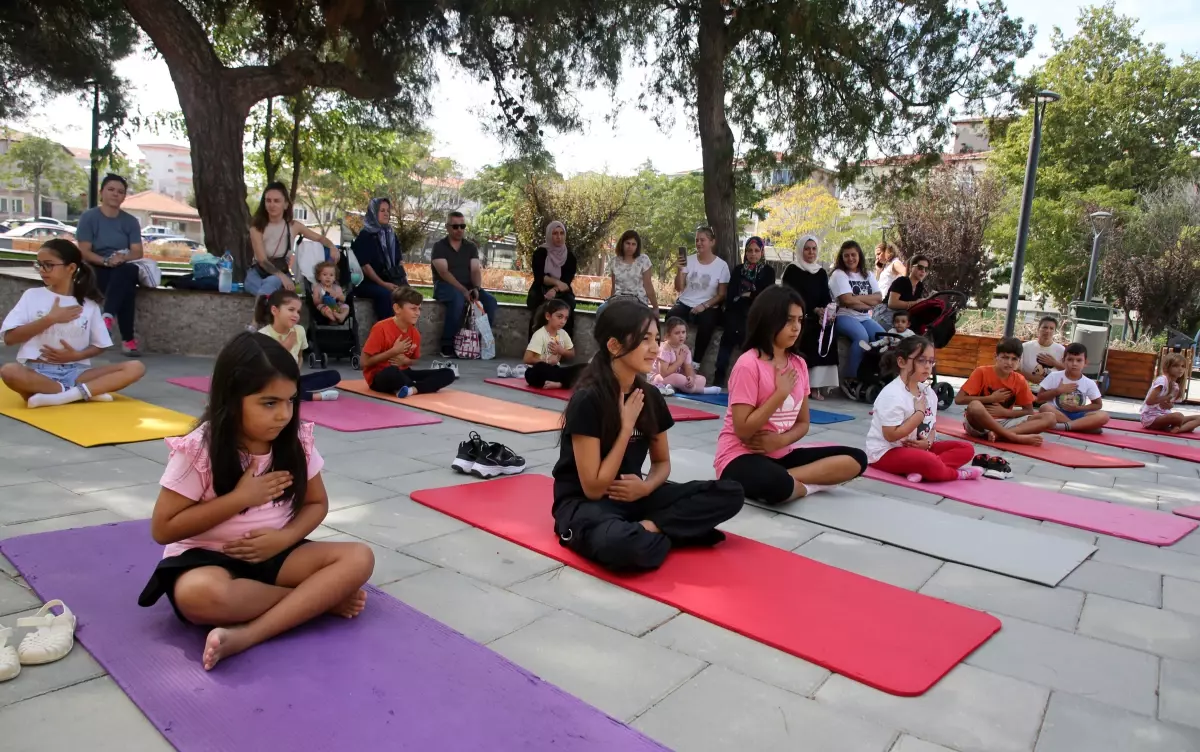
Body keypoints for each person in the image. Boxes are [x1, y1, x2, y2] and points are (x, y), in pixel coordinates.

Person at [139, 332, 375, 671]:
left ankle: (249, 633)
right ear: (232, 400)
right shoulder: (199, 449)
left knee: (359, 558)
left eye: (290, 401)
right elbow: (163, 529)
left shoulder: (294, 442)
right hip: (207, 559)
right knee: (198, 597)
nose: (283, 414)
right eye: (269, 403)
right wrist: (240, 499)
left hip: (275, 553)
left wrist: (284, 539)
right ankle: (318, 603)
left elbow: (316, 504)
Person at [551, 299, 744, 572]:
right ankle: (671, 531)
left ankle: (651, 529)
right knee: (619, 544)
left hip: (635, 498)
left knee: (730, 492)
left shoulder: (650, 396)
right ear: (614, 346)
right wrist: (626, 427)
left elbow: (662, 463)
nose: (655, 348)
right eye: (644, 339)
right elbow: (593, 488)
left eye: (655, 338)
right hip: (587, 504)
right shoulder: (588, 399)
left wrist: (645, 487)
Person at [715, 286, 868, 503]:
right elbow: (742, 429)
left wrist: (780, 441)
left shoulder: (799, 364)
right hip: (740, 456)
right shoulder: (748, 364)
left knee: (857, 458)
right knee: (777, 485)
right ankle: (804, 483)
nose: (796, 327)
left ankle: (791, 483)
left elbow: (803, 423)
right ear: (768, 320)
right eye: (788, 320)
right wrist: (779, 394)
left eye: (799, 320)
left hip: (780, 454)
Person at [0, 239, 145, 407]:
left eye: (48, 265)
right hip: (38, 371)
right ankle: (83, 392)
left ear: (70, 268)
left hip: (76, 372)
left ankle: (64, 395)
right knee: (9, 371)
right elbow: (10, 338)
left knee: (136, 367)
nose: (42, 270)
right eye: (39, 265)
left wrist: (77, 356)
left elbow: (101, 344)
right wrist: (50, 319)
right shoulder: (32, 296)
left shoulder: (88, 304)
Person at [867, 336, 982, 483]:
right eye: (921, 360)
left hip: (919, 450)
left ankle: (922, 469)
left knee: (966, 448)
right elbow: (890, 436)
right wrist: (919, 414)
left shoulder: (929, 393)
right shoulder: (892, 394)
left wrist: (927, 443)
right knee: (929, 460)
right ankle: (957, 474)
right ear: (902, 362)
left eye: (931, 361)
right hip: (886, 452)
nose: (928, 366)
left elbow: (932, 427)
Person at [75, 174, 143, 356]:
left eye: (120, 192)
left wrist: (122, 257)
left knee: (127, 271)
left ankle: (107, 316)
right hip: (95, 268)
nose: (115, 194)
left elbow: (137, 251)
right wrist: (106, 261)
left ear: (124, 197)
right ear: (101, 193)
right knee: (126, 287)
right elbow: (84, 252)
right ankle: (128, 340)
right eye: (111, 190)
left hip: (121, 266)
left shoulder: (130, 221)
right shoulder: (89, 218)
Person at [955, 336, 1056, 445]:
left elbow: (1029, 411)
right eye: (1005, 357)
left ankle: (999, 435)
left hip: (1005, 422)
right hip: (979, 424)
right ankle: (1013, 437)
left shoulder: (1019, 380)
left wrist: (1005, 412)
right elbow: (959, 399)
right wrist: (990, 398)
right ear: (996, 357)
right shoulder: (981, 372)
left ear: (1019, 361)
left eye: (1014, 359)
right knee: (974, 405)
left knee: (1050, 417)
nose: (1009, 362)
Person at [247, 182, 339, 299]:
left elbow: (320, 238)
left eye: (276, 201)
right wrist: (282, 277)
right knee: (262, 288)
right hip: (258, 273)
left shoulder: (294, 226)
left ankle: (262, 311)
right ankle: (269, 304)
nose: (272, 205)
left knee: (269, 286)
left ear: (285, 204)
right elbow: (262, 260)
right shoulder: (256, 228)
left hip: (279, 273)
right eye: (268, 200)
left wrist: (332, 246)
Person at [361, 287, 455, 398]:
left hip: (404, 373)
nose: (418, 313)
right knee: (392, 372)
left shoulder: (415, 333)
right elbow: (364, 363)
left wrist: (406, 361)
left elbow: (414, 360)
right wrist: (393, 352)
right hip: (381, 376)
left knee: (448, 373)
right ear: (397, 308)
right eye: (413, 309)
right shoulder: (381, 328)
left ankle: (412, 389)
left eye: (419, 309)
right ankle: (416, 386)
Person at [430, 211, 498, 358]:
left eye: (462, 226)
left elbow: (475, 270)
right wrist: (462, 290)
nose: (459, 229)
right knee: (457, 299)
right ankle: (447, 344)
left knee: (490, 302)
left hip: (468, 287)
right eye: (455, 226)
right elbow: (444, 273)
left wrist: (476, 288)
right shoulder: (439, 246)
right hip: (444, 286)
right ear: (447, 227)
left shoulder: (470, 247)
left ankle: (480, 343)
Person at [254, 289, 340, 401]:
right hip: (270, 381)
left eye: (298, 312)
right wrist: (284, 349)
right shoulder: (263, 335)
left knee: (334, 375)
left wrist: (295, 375)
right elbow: (262, 370)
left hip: (291, 380)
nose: (296, 315)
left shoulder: (299, 331)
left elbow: (299, 357)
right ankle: (313, 396)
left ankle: (294, 392)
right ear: (275, 311)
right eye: (291, 310)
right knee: (271, 388)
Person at [782, 234, 838, 400]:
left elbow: (825, 296)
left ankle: (817, 386)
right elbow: (790, 295)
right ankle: (802, 385)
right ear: (801, 250)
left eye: (814, 249)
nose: (811, 252)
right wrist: (813, 310)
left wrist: (826, 311)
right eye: (807, 249)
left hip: (817, 315)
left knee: (828, 330)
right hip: (798, 314)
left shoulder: (820, 272)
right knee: (810, 332)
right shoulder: (792, 270)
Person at [714, 236, 775, 386]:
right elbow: (731, 296)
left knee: (749, 336)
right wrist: (749, 295)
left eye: (756, 251)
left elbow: (766, 294)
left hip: (758, 312)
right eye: (749, 251)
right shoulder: (738, 270)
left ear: (761, 252)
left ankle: (747, 380)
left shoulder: (768, 271)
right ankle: (719, 377)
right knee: (729, 334)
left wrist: (748, 295)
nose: (752, 254)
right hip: (736, 310)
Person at [669, 225, 730, 368]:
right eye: (697, 240)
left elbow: (722, 295)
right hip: (686, 302)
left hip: (708, 305)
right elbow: (679, 288)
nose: (698, 243)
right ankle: (672, 358)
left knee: (707, 322)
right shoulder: (689, 260)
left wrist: (704, 305)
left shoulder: (721, 266)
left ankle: (695, 364)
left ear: (712, 242)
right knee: (672, 316)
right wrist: (679, 269)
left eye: (702, 240)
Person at [829, 240, 884, 386]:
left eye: (853, 254)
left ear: (859, 256)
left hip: (865, 317)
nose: (850, 259)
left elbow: (878, 297)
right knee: (861, 337)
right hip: (844, 316)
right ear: (841, 258)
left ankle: (874, 374)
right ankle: (850, 377)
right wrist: (865, 302)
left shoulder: (868, 274)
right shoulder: (839, 274)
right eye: (846, 256)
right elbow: (846, 300)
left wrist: (855, 299)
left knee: (884, 337)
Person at [350, 197, 407, 323]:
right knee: (386, 295)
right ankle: (386, 334)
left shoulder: (391, 234)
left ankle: (406, 333)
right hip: (366, 283)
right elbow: (365, 266)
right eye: (382, 210)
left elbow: (399, 260)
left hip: (388, 279)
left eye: (387, 210)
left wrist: (399, 280)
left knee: (409, 295)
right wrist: (384, 284)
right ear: (373, 212)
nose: (386, 213)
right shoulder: (365, 235)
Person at [1034, 343, 1111, 433]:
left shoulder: (1089, 383)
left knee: (1104, 415)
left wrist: (1078, 409)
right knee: (1044, 407)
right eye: (1070, 360)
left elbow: (1098, 405)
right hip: (1057, 413)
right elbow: (1039, 399)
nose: (1074, 364)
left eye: (1079, 360)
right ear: (1063, 361)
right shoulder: (1054, 376)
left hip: (1078, 414)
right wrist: (1058, 391)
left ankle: (1064, 426)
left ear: (1085, 363)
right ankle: (1080, 426)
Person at [526, 221, 578, 338]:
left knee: (568, 306)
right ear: (549, 235)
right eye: (555, 233)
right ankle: (535, 347)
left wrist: (554, 290)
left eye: (561, 233)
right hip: (541, 287)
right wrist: (556, 282)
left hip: (561, 291)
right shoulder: (540, 253)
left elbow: (566, 283)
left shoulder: (570, 257)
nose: (559, 237)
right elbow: (539, 277)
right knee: (537, 304)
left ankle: (563, 349)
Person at [652, 317, 722, 396]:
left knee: (702, 379)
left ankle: (673, 388)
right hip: (659, 378)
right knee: (678, 378)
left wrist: (691, 377)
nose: (681, 336)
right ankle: (702, 390)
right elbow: (664, 373)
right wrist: (679, 361)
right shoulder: (665, 349)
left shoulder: (684, 348)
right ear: (668, 336)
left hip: (676, 377)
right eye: (677, 333)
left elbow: (688, 367)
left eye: (683, 332)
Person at [524, 299, 584, 389]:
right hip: (539, 371)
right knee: (540, 369)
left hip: (555, 370)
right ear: (548, 316)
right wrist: (547, 361)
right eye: (559, 317)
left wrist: (561, 351)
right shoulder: (540, 334)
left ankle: (560, 384)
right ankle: (564, 382)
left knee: (585, 368)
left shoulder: (563, 333)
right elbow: (527, 359)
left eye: (565, 318)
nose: (563, 321)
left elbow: (572, 354)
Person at [1139, 352, 1200, 433]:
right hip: (1151, 418)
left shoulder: (1175, 386)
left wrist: (1169, 405)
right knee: (1179, 416)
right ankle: (1180, 426)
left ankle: (1178, 429)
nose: (1180, 369)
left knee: (1198, 418)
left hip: (1164, 415)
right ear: (1167, 367)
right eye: (1176, 366)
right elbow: (1149, 401)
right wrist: (1165, 398)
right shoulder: (1162, 380)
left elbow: (1169, 405)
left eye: (1183, 366)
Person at [602, 229, 658, 312]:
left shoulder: (643, 260)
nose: (630, 247)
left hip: (638, 301)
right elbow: (614, 287)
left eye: (633, 244)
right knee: (601, 310)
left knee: (629, 313)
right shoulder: (614, 261)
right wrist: (610, 304)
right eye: (627, 243)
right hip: (619, 299)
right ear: (622, 243)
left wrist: (655, 307)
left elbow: (648, 285)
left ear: (637, 246)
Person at [876, 253, 930, 329]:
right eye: (920, 267)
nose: (923, 271)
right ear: (911, 267)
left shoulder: (920, 286)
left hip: (901, 316)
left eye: (926, 269)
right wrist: (916, 303)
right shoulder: (902, 281)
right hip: (886, 312)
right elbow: (892, 303)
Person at [1020, 316, 1065, 386]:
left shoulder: (1061, 350)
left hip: (1050, 390)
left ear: (1055, 331)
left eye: (1051, 328)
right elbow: (1015, 369)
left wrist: (1054, 363)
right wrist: (1030, 377)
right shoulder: (1025, 347)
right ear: (1038, 329)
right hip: (1026, 388)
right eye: (1045, 327)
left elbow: (1068, 372)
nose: (1048, 331)